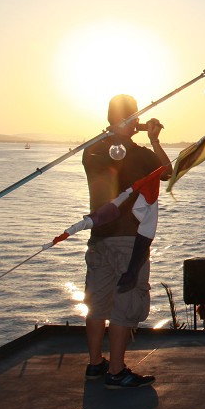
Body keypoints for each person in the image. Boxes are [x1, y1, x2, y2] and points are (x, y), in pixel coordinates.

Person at [81, 94, 170, 389]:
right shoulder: (141, 155)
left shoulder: (91, 152)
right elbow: (167, 171)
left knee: (96, 303)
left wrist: (122, 130)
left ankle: (95, 364)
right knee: (124, 304)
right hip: (128, 240)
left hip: (99, 238)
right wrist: (154, 139)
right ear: (133, 120)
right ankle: (116, 371)